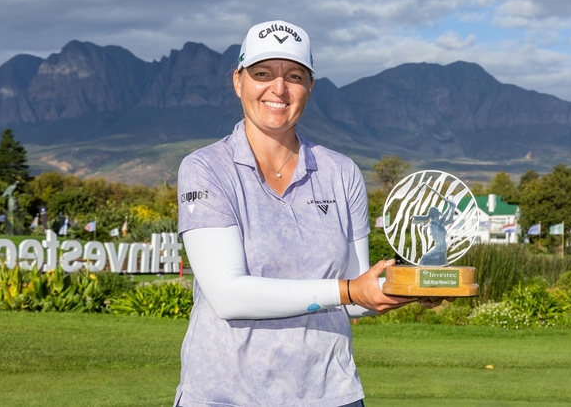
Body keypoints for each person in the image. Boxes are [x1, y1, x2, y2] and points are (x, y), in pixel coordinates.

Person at [175, 20, 422, 407]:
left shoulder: (341, 172)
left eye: (294, 76)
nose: (278, 89)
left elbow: (356, 297)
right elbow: (228, 295)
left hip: (330, 395)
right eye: (262, 74)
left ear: (309, 87)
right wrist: (346, 290)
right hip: (225, 396)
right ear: (238, 81)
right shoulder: (205, 168)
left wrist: (411, 287)